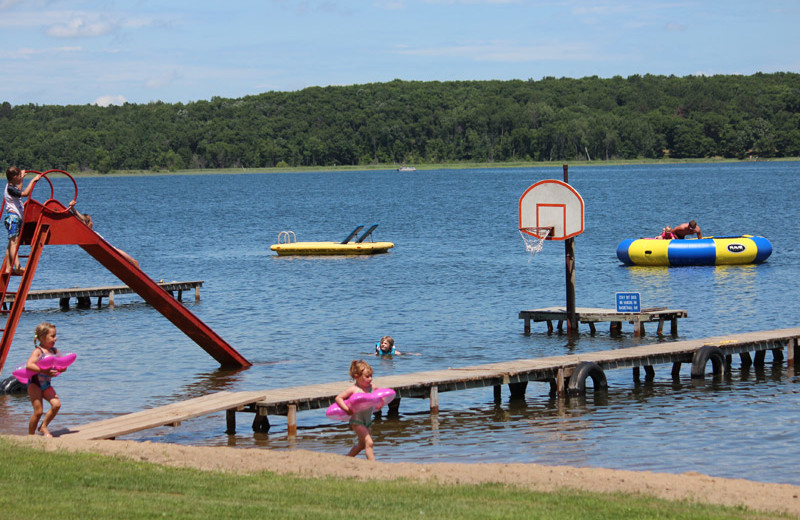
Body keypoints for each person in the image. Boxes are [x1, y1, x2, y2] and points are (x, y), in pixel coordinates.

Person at [25, 322, 64, 437]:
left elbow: (62, 365)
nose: (55, 338)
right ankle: (30, 437)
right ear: (42, 338)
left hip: (46, 384)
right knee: (38, 412)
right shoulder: (38, 351)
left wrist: (62, 368)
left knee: (56, 404)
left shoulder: (55, 351)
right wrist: (44, 371)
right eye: (52, 336)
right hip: (35, 384)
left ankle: (43, 426)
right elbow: (29, 365)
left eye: (55, 335)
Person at [334, 359, 377, 460]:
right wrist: (347, 409)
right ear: (357, 377)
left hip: (368, 421)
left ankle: (346, 459)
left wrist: (380, 404)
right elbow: (338, 398)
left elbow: (380, 396)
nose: (370, 379)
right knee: (369, 442)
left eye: (371, 376)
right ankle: (374, 465)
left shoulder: (372, 388)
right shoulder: (354, 389)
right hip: (357, 421)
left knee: (362, 445)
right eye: (367, 376)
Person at [71, 208, 140, 269]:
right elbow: (81, 219)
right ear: (87, 223)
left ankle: (139, 273)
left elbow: (80, 219)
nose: (92, 223)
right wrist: (73, 209)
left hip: (110, 248)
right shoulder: (88, 231)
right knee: (132, 261)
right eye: (91, 221)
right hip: (111, 249)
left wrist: (73, 209)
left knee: (132, 261)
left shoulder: (88, 233)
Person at [4, 166, 41, 275]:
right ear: (14, 177)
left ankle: (8, 267)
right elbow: (24, 194)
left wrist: (22, 179)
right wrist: (33, 181)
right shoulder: (10, 188)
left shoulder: (12, 187)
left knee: (11, 243)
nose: (21, 177)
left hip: (15, 218)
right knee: (14, 243)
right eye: (19, 176)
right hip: (13, 218)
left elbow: (19, 191)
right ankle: (17, 266)